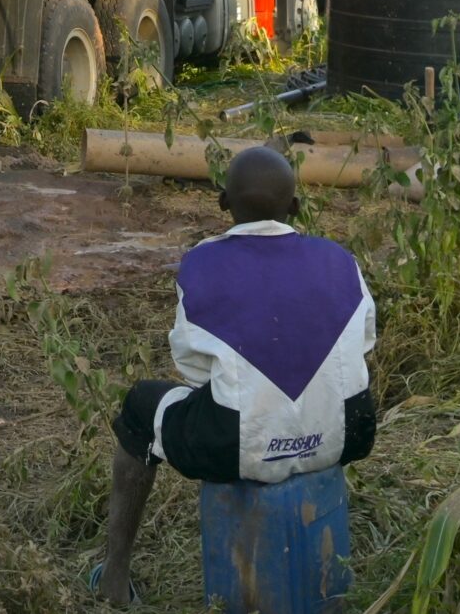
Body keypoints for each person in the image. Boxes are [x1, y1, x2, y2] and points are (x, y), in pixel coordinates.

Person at [96, 145, 376, 605]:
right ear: (296, 207)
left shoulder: (202, 264)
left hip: (235, 444)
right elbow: (364, 344)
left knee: (141, 408)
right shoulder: (339, 260)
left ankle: (114, 578)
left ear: (223, 204)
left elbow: (191, 369)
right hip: (348, 436)